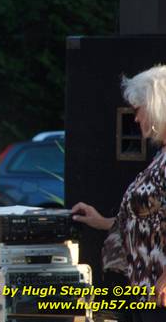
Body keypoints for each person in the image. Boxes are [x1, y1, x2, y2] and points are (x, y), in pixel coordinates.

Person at [72, 65, 166, 321]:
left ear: (157, 106)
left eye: (139, 110)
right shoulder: (161, 157)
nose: (135, 119)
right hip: (144, 291)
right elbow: (148, 221)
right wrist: (101, 221)